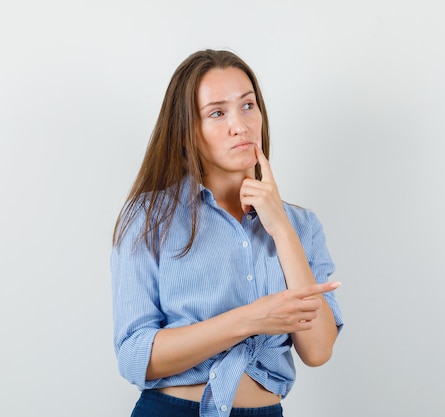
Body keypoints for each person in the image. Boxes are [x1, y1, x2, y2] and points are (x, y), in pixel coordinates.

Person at [111, 49, 343, 417]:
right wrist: (252, 318)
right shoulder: (150, 217)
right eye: (217, 113)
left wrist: (281, 228)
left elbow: (318, 350)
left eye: (248, 106)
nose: (241, 125)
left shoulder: (302, 226)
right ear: (188, 132)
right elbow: (134, 355)